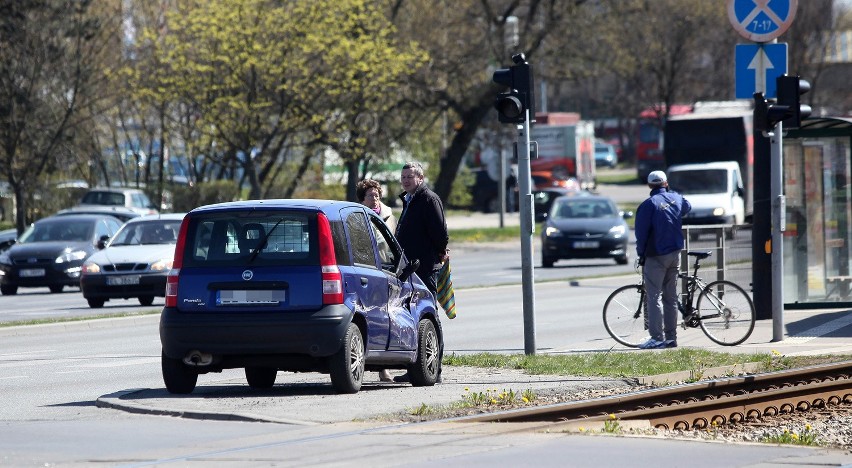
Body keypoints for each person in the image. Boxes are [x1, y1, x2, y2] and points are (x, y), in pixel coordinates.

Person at [393, 161, 449, 382]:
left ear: (421, 178)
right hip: (409, 269)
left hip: (424, 267)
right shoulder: (409, 199)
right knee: (412, 317)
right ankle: (416, 368)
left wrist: (440, 252)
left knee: (429, 316)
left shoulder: (428, 199)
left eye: (410, 177)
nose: (406, 180)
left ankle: (434, 369)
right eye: (403, 177)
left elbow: (440, 233)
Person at [634, 170, 692, 349]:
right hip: (675, 253)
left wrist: (641, 254)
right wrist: (671, 193)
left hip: (656, 255)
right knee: (671, 297)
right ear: (666, 183)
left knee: (654, 297)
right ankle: (671, 338)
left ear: (649, 185)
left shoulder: (648, 205)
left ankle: (656, 338)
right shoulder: (676, 198)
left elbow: (641, 234)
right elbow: (687, 207)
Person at [356, 179, 396, 382]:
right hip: (366, 270)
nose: (375, 199)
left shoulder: (388, 214)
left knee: (385, 317)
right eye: (370, 196)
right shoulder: (356, 217)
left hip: (386, 269)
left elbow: (394, 241)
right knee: (367, 317)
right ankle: (360, 364)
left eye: (377, 195)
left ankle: (384, 368)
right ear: (362, 199)